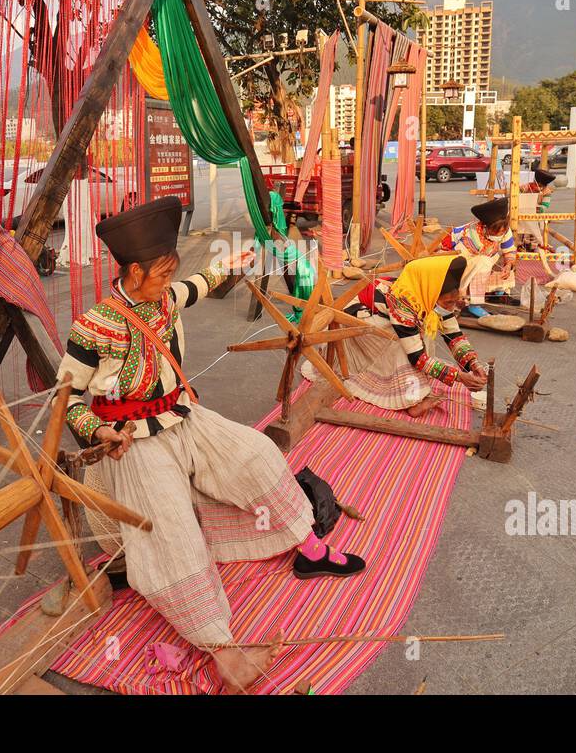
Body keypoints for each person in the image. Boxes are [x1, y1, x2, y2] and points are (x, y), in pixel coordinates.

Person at [55, 196, 366, 692]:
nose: (167, 283)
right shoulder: (93, 327)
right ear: (133, 272)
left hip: (183, 417)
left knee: (258, 456)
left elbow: (193, 287)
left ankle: (308, 548)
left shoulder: (163, 297)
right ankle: (221, 647)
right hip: (133, 443)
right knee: (172, 529)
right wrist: (97, 431)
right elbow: (65, 397)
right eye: (160, 273)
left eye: (170, 273)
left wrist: (229, 266)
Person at [303, 254, 487, 416]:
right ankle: (411, 400)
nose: (451, 307)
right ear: (433, 293)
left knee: (417, 334)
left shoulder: (429, 295)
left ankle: (416, 388)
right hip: (358, 318)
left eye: (454, 302)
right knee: (401, 344)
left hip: (385, 315)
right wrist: (459, 377)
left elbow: (453, 334)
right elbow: (417, 357)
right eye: (447, 302)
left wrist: (472, 363)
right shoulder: (403, 301)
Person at [439, 197, 517, 317]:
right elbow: (442, 249)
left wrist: (508, 264)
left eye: (503, 231)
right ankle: (473, 305)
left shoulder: (505, 231)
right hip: (458, 268)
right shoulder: (467, 231)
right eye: (496, 232)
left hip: (482, 266)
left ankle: (497, 293)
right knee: (484, 261)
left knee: (501, 259)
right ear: (485, 227)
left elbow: (509, 251)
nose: (500, 234)